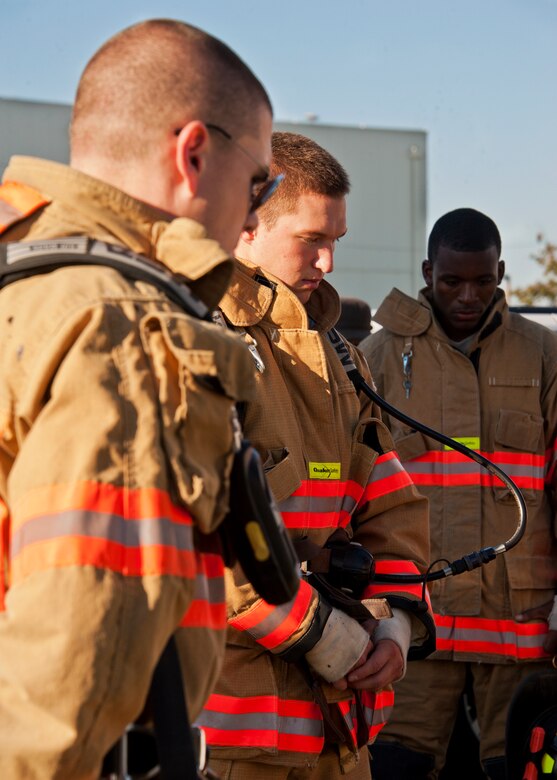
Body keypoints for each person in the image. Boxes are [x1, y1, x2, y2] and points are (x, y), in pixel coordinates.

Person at [0, 19, 279, 779]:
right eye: (260, 181)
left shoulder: (27, 289)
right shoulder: (128, 328)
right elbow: (86, 651)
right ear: (193, 154)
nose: (254, 215)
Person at [195, 132, 434, 779]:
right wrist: (324, 635)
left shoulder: (340, 356)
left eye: (337, 242)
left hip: (336, 734)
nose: (327, 263)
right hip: (229, 739)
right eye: (310, 240)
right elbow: (201, 540)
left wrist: (395, 625)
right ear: (247, 228)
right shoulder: (197, 338)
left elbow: (389, 506)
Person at [360, 207, 557, 779]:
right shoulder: (376, 360)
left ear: (502, 274)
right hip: (418, 615)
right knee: (397, 763)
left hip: (520, 616)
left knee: (520, 762)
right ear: (427, 271)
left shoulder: (542, 356)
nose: (468, 295)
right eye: (452, 281)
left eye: (483, 280)